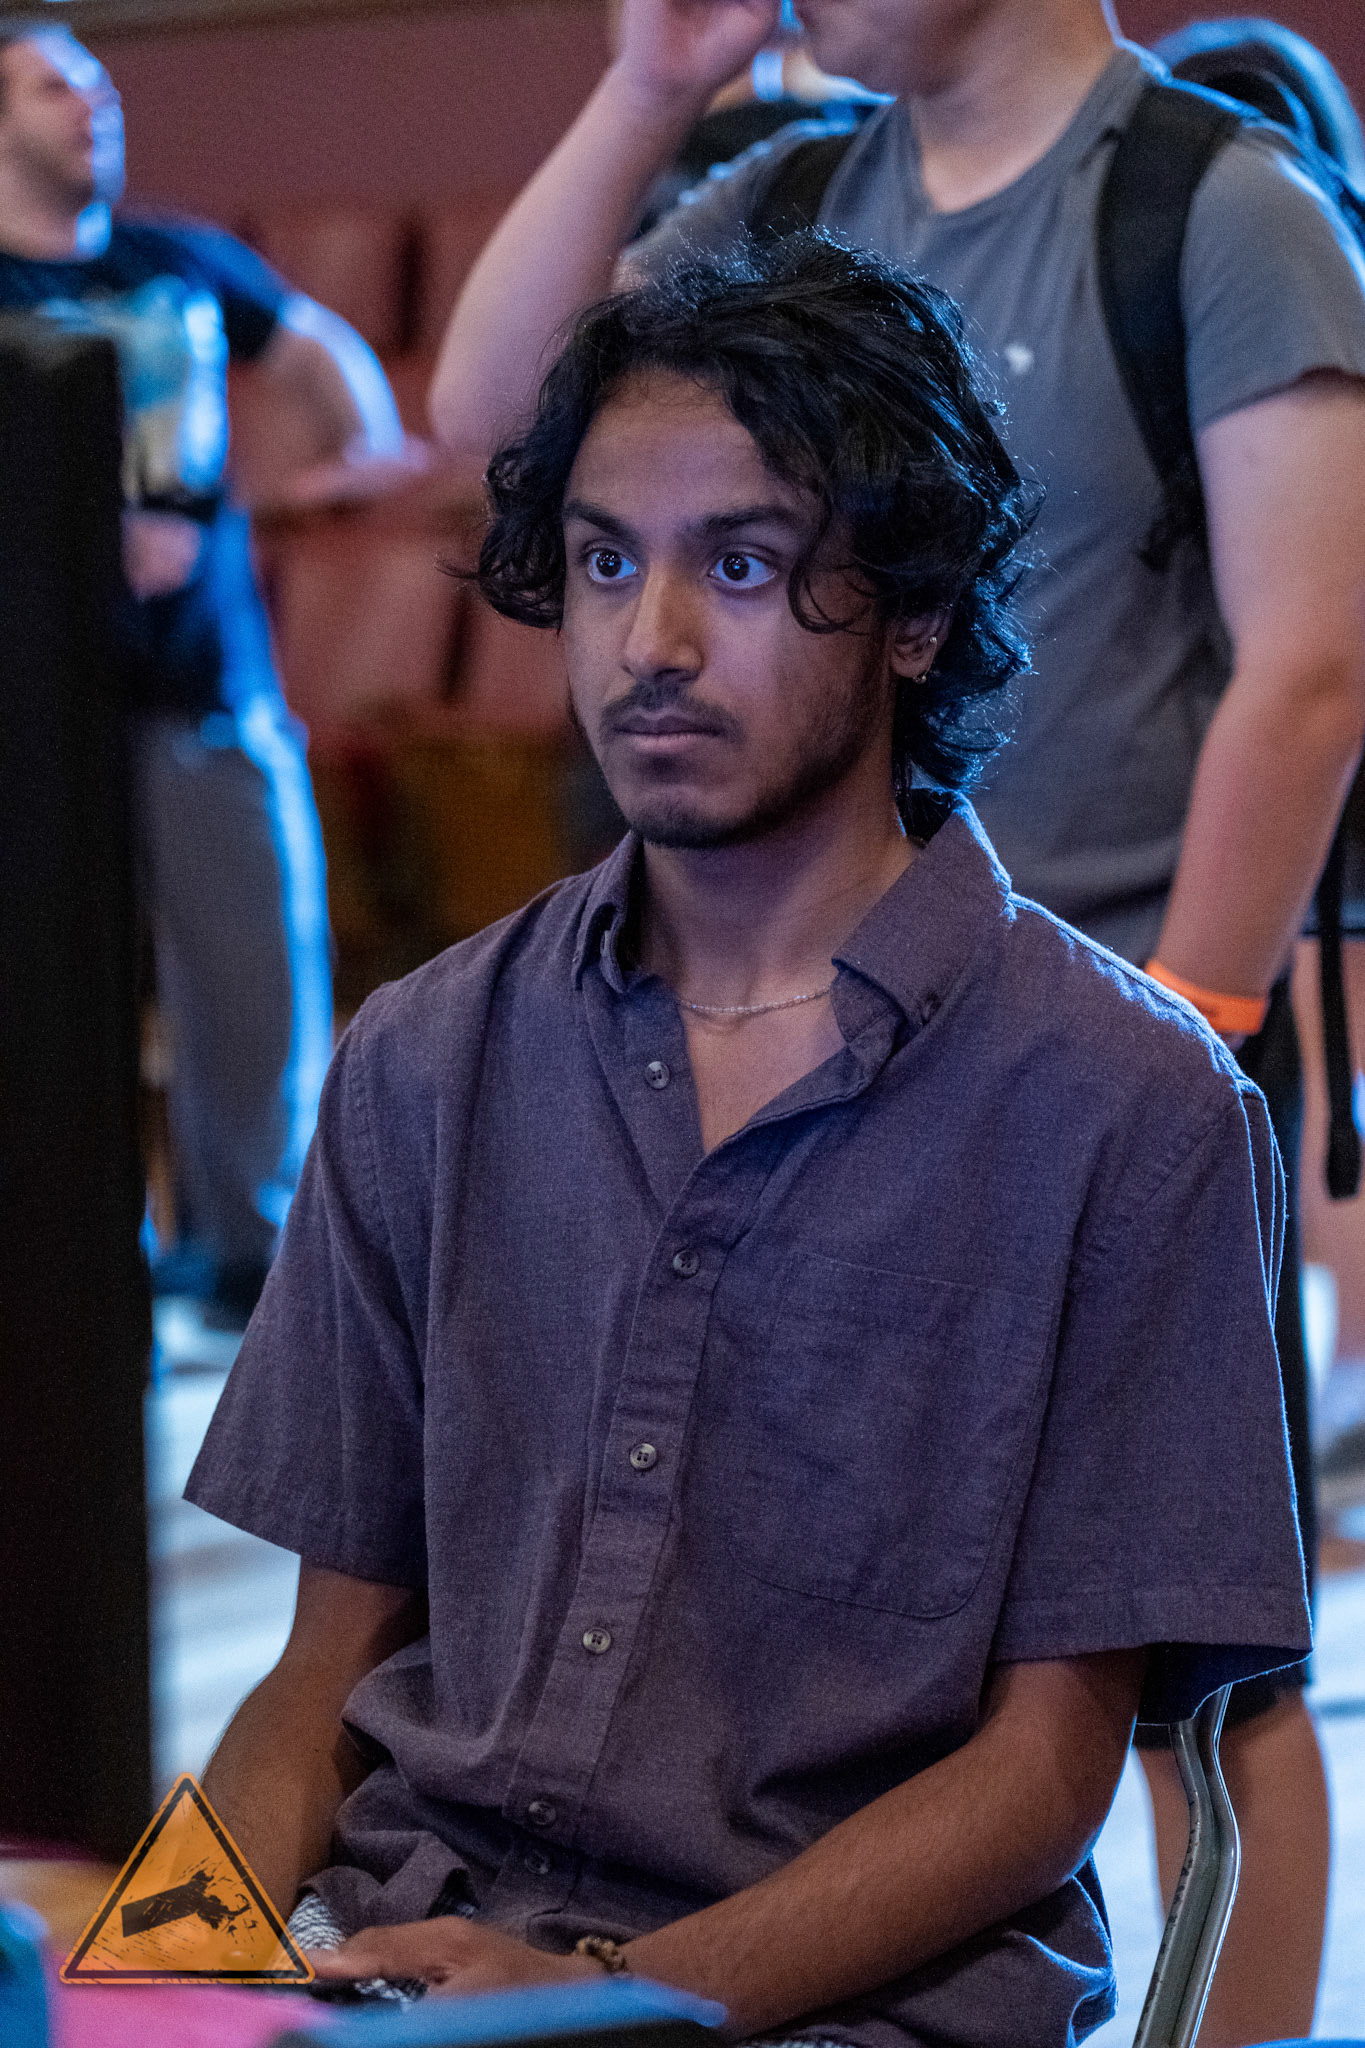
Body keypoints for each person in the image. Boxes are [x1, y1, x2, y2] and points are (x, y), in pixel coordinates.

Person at [187, 241, 1310, 2048]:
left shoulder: (1127, 1103)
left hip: (849, 2010)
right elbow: (319, 1669)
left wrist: (594, 2004)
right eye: (604, 562)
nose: (650, 643)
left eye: (741, 564)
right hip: (412, 1953)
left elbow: (1043, 1772)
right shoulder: (426, 1054)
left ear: (912, 613)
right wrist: (154, 1990)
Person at [428, 2, 1365, 2034]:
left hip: (1099, 1041)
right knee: (838, 1659)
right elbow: (494, 425)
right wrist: (647, 87)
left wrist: (1176, 1043)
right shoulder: (787, 191)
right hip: (799, 1045)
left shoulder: (1215, 205)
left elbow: (1310, 665)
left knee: (1201, 1693)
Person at [0, 22, 413, 1328]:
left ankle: (252, 1260)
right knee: (49, 1003)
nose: (94, 102)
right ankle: (81, 1264)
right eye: (56, 86)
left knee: (253, 978)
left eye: (99, 82)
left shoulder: (177, 259)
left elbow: (314, 348)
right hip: (35, 708)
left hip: (207, 682)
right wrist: (73, 529)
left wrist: (361, 449)